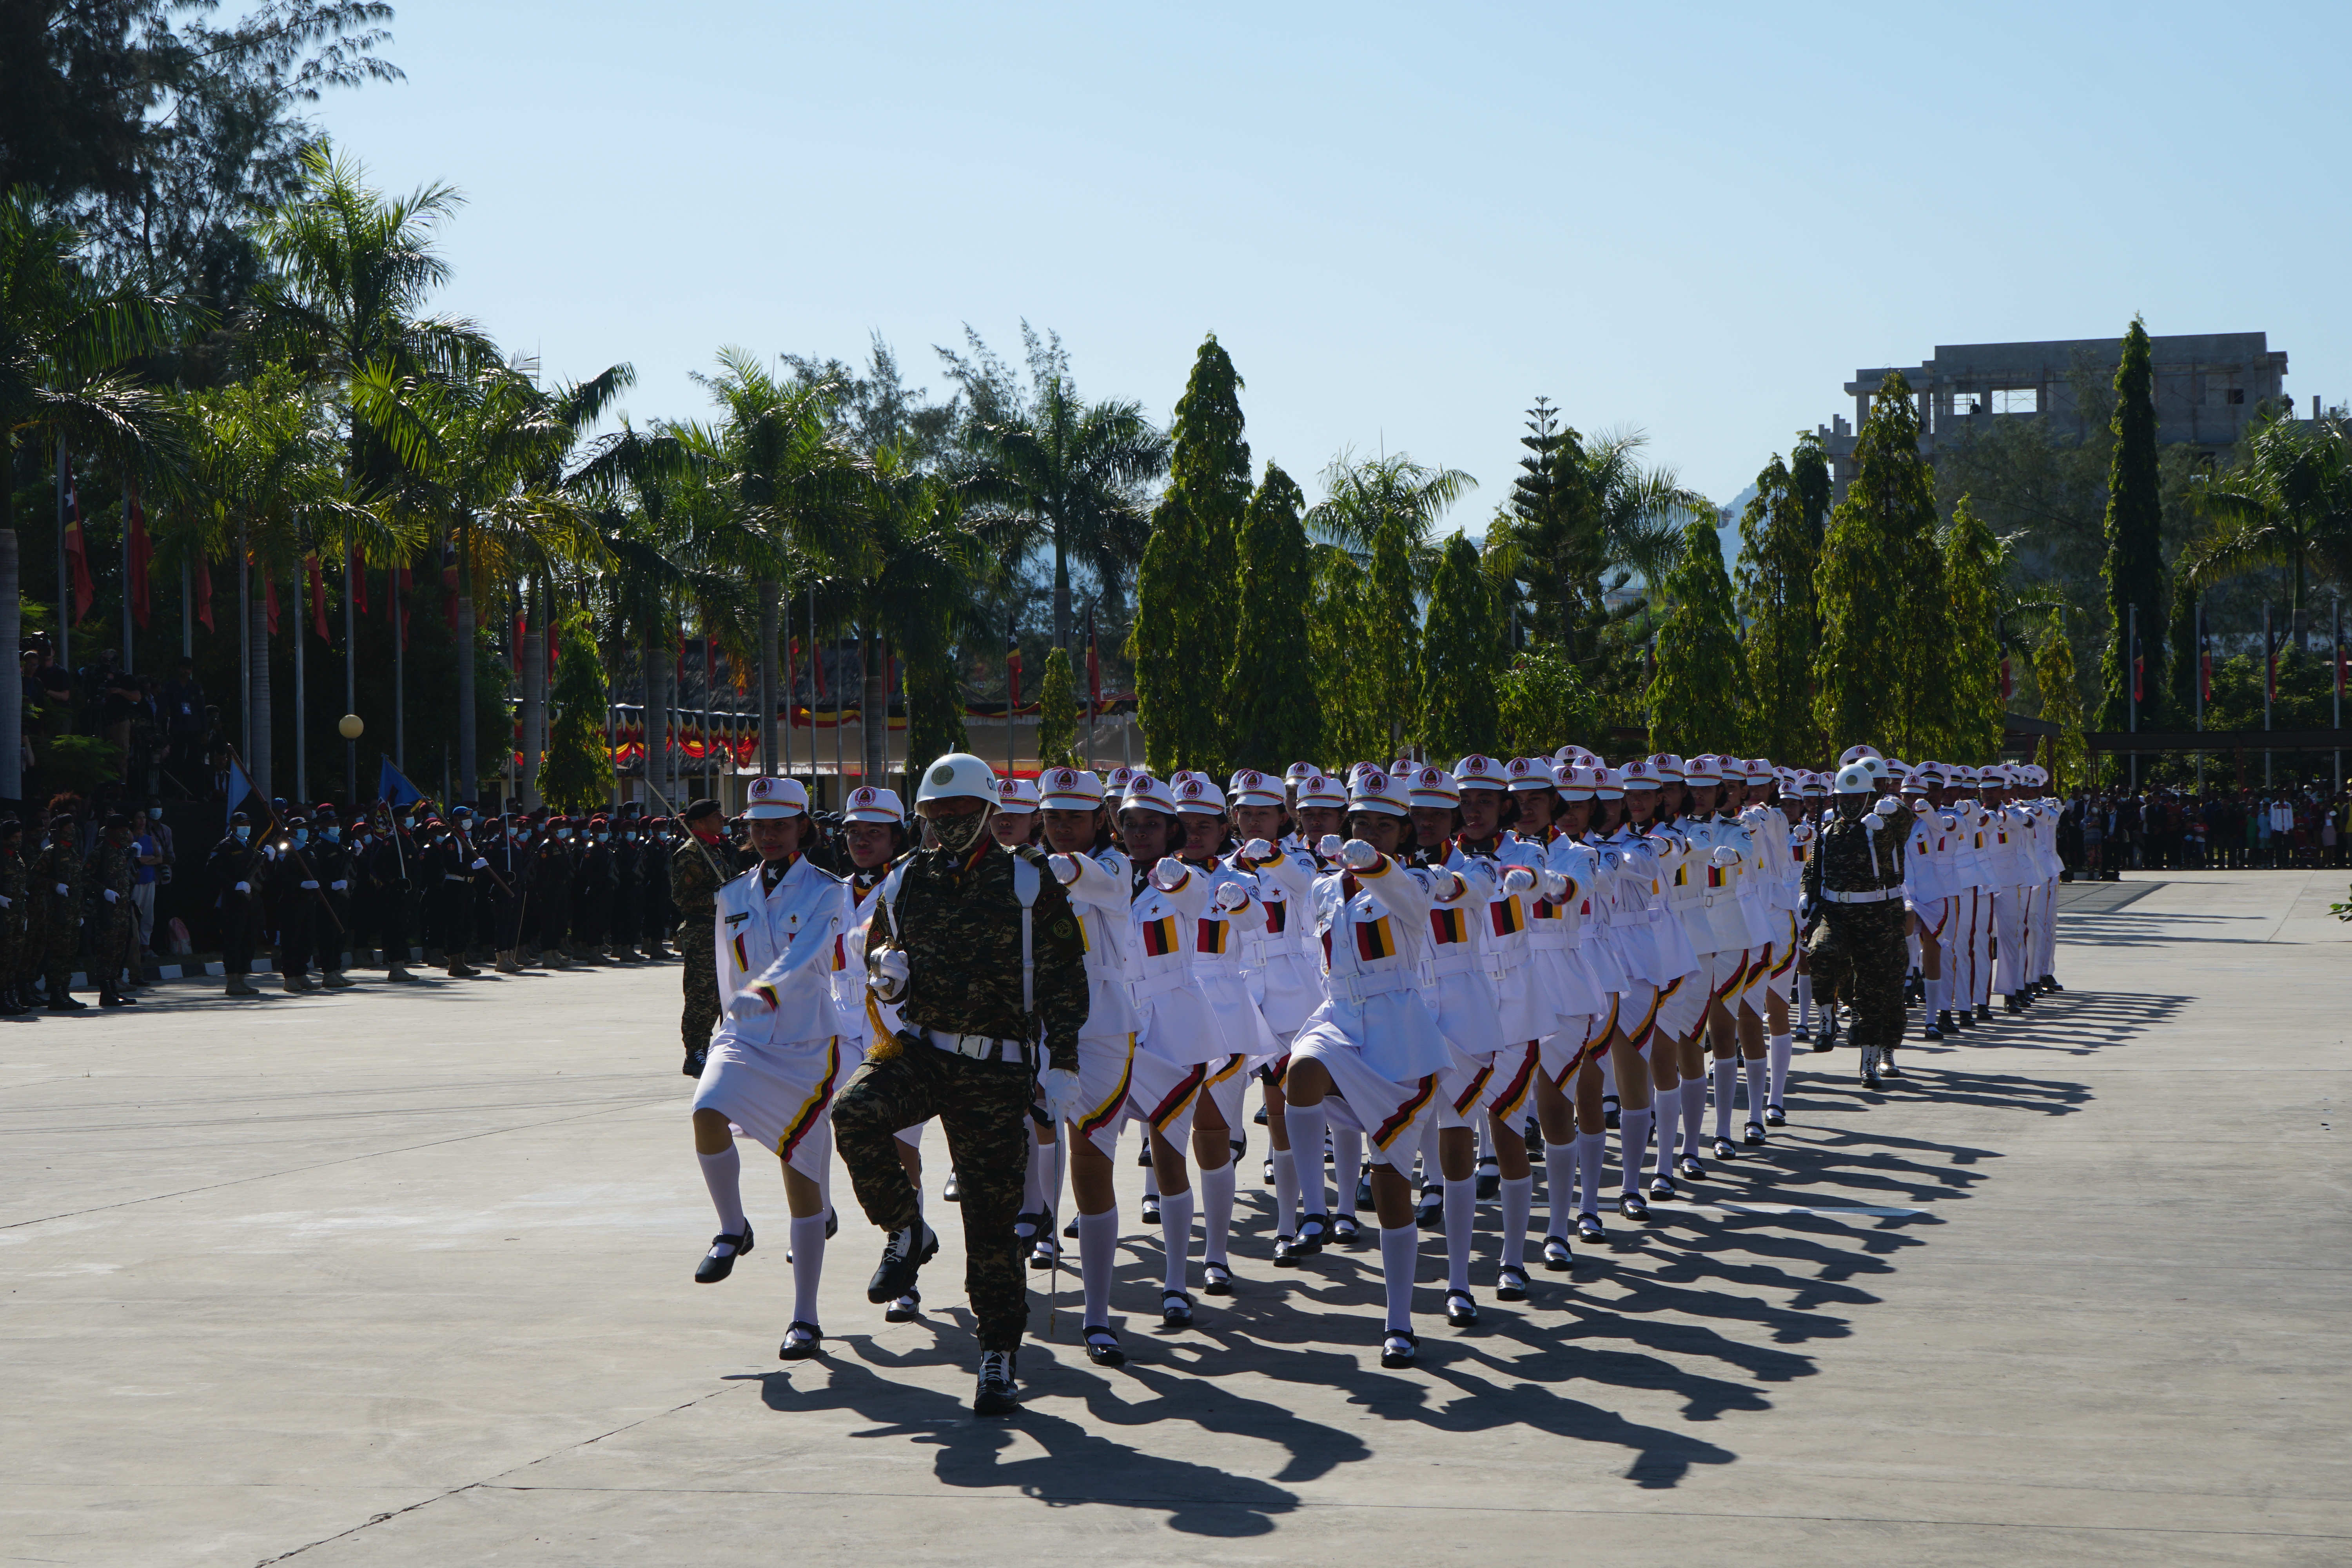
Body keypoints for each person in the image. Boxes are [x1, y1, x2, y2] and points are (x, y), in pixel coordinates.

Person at [830, 751, 1089, 1417]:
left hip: (997, 1067)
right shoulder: (907, 880)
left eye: (960, 815)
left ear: (988, 814)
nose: (946, 827)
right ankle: (906, 1230)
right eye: (935, 817)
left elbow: (1065, 975)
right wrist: (885, 966)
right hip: (922, 1048)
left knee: (990, 1219)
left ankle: (998, 1353)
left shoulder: (1029, 881)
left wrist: (1062, 1061)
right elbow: (878, 951)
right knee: (854, 1112)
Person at [687, 777, 853, 1363]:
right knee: (705, 1111)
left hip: (807, 1043)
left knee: (801, 1177)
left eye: (779, 825)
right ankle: (733, 1228)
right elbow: (722, 970)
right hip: (745, 1035)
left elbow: (810, 948)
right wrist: (719, 1022)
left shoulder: (830, 891)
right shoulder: (732, 894)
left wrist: (768, 986)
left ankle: (805, 1318)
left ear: (803, 827)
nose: (767, 835)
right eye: (758, 825)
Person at [1802, 762, 1916, 1087]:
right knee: (1820, 954)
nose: (1851, 805)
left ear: (1870, 797)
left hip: (1878, 915)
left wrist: (1889, 811)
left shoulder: (1884, 826)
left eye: (1858, 798)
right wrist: (1805, 895)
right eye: (1845, 799)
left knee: (1875, 989)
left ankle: (1871, 1061)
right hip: (1836, 911)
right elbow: (1813, 869)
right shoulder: (1827, 832)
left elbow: (1904, 824)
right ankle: (1827, 1021)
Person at [670, 799, 733, 1076]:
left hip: (722, 932)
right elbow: (682, 897)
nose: (722, 818)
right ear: (699, 822)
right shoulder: (691, 853)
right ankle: (696, 1051)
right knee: (702, 996)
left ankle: (721, 1048)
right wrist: (718, 898)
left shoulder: (715, 849)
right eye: (715, 815)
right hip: (703, 934)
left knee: (724, 994)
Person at [82, 814, 139, 1007]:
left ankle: (114, 988)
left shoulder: (121, 852)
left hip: (122, 910)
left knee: (119, 950)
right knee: (106, 950)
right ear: (113, 831)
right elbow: (86, 878)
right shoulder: (100, 853)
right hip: (106, 911)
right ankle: (106, 992)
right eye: (123, 831)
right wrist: (103, 891)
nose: (127, 835)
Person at [34, 815, 86, 1011]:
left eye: (73, 827)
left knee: (69, 954)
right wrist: (54, 885)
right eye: (68, 827)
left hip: (73, 912)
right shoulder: (51, 853)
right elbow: (35, 878)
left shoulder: (72, 852)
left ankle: (65, 993)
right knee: (58, 954)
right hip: (58, 913)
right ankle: (56, 994)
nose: (72, 830)